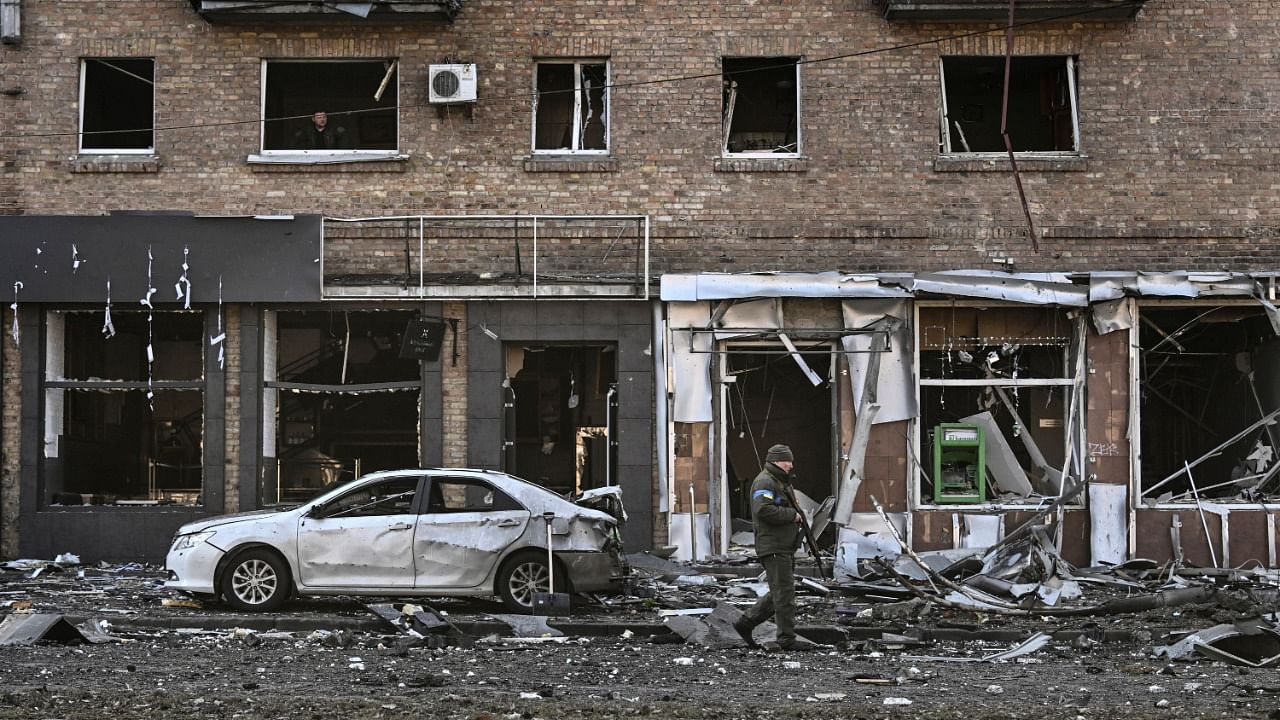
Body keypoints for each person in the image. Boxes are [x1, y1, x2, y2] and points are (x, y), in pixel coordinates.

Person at [734, 443, 811, 651]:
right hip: (774, 546)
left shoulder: (780, 481)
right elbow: (763, 509)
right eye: (788, 460)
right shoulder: (765, 482)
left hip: (782, 546)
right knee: (784, 593)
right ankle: (786, 638)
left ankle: (746, 623)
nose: (791, 465)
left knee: (781, 591)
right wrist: (792, 515)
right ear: (777, 461)